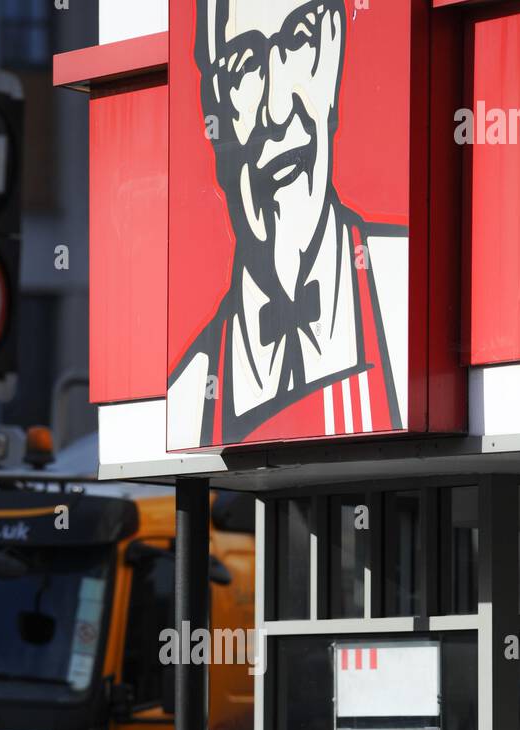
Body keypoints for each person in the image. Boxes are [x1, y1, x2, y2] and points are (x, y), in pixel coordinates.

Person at [168, 0, 408, 449]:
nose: (276, 112)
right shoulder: (189, 393)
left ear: (333, 57)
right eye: (244, 65)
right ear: (213, 113)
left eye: (299, 39)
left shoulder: (405, 310)